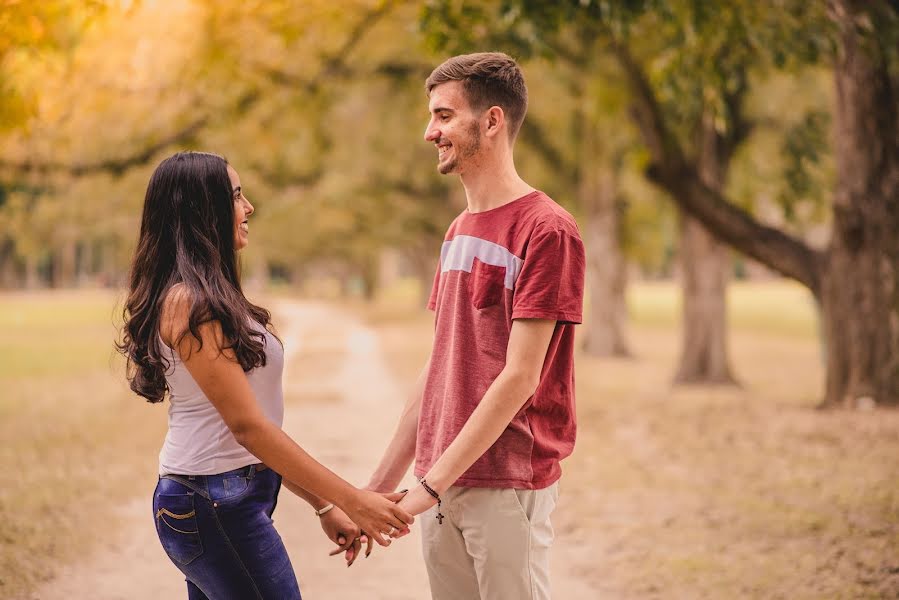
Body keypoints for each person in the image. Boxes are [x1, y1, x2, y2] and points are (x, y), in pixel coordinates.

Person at [117, 151, 413, 599]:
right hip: (211, 503)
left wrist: (324, 503)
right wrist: (354, 499)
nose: (248, 206)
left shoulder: (209, 297)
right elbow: (248, 429)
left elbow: (258, 428)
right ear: (204, 209)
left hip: (222, 500)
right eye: (236, 195)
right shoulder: (188, 303)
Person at [364, 52, 586, 599]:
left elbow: (519, 378)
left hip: (507, 483)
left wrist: (430, 486)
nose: (429, 131)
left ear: (491, 121)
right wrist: (375, 491)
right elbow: (440, 367)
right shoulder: (458, 231)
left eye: (443, 116)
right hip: (441, 481)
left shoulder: (547, 229)